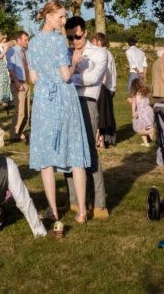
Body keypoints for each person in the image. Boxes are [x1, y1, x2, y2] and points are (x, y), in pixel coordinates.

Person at [27, 0, 90, 223]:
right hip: (63, 97)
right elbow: (65, 76)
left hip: (43, 99)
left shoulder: (32, 42)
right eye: (61, 16)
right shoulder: (58, 41)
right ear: (48, 16)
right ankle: (81, 211)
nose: (64, 21)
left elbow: (33, 78)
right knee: (75, 150)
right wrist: (74, 62)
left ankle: (52, 210)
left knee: (46, 156)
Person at [63, 16, 108, 220]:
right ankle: (73, 201)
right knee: (68, 151)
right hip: (67, 102)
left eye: (78, 37)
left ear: (86, 32)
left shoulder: (99, 52)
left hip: (87, 102)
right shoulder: (66, 52)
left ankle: (99, 203)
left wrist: (69, 76)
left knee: (90, 150)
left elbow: (93, 78)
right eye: (70, 38)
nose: (74, 41)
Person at [91, 32, 117, 148]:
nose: (92, 44)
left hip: (106, 87)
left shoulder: (103, 53)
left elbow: (104, 71)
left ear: (99, 42)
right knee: (106, 113)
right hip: (109, 86)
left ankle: (108, 139)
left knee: (104, 114)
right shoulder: (107, 52)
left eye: (93, 41)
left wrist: (101, 86)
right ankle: (106, 139)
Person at [6, 31, 31, 143]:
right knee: (20, 111)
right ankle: (13, 134)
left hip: (26, 83)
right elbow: (10, 68)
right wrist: (16, 82)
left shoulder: (26, 52)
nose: (27, 42)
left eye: (27, 40)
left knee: (27, 112)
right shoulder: (12, 51)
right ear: (18, 40)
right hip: (18, 83)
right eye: (25, 40)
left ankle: (21, 132)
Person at [129, 78, 154, 146]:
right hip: (148, 110)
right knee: (145, 127)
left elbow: (134, 103)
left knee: (139, 130)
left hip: (141, 112)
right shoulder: (144, 92)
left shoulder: (135, 94)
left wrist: (133, 112)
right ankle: (146, 143)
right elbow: (141, 101)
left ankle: (150, 132)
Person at [0, 33, 13, 106]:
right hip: (0, 68)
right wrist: (5, 49)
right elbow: (0, 56)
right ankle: (0, 100)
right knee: (1, 84)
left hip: (7, 66)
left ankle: (7, 100)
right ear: (0, 38)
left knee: (7, 83)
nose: (5, 40)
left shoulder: (7, 46)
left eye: (5, 38)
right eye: (3, 38)